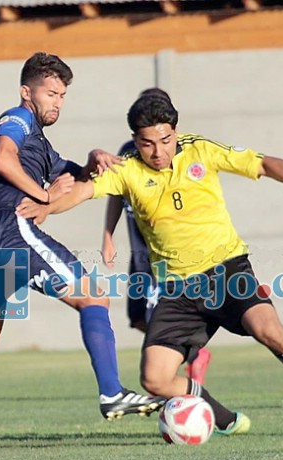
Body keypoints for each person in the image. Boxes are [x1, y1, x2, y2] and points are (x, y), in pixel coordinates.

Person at [17, 92, 283, 435]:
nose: (157, 151)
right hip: (176, 291)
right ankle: (225, 419)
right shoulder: (128, 170)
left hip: (227, 272)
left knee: (270, 332)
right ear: (135, 141)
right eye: (146, 143)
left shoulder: (201, 150)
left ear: (176, 131)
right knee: (154, 379)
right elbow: (81, 192)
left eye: (165, 140)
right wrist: (48, 207)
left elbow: (261, 164)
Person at [0, 53, 164, 449]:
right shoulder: (15, 119)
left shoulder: (42, 146)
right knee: (94, 295)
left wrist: (92, 160)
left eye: (63, 95)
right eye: (51, 92)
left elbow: (73, 176)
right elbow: (1, 158)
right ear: (26, 91)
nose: (57, 101)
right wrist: (42, 194)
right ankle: (111, 393)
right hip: (9, 227)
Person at [102, 88, 211, 385]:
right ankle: (192, 355)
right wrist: (108, 235)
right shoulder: (129, 150)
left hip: (163, 254)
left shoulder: (181, 153)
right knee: (137, 316)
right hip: (138, 251)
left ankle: (168, 382)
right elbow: (116, 191)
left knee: (156, 320)